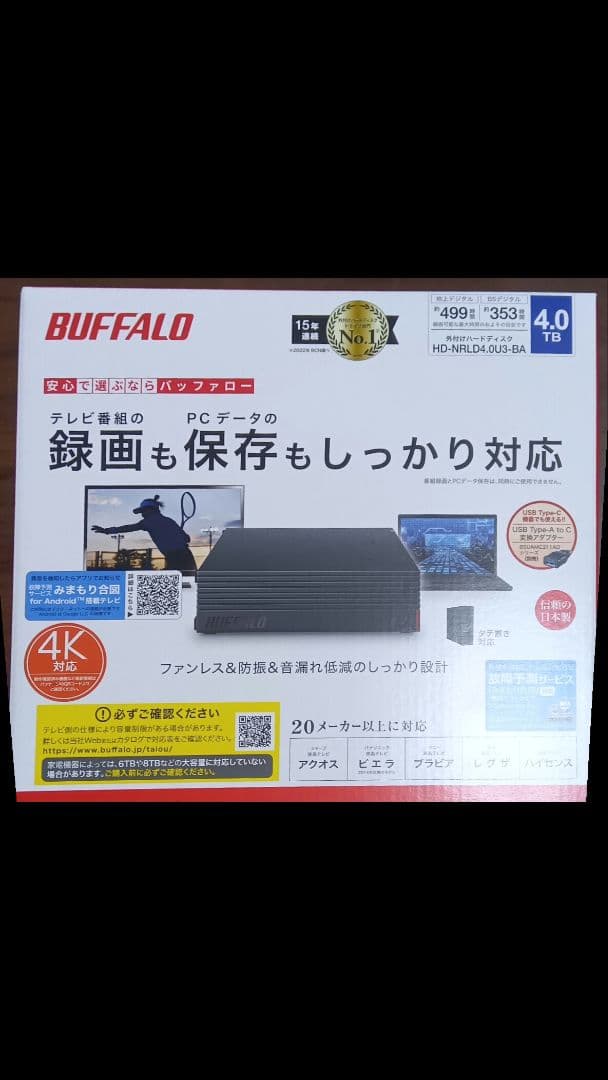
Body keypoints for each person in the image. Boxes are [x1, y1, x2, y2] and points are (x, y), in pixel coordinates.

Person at [92, 495, 198, 573]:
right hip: (186, 555)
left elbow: (127, 528)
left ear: (150, 510)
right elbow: (187, 538)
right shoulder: (169, 520)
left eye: (143, 511)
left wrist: (106, 531)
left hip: (174, 558)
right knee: (189, 581)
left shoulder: (147, 522)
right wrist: (180, 537)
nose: (142, 514)